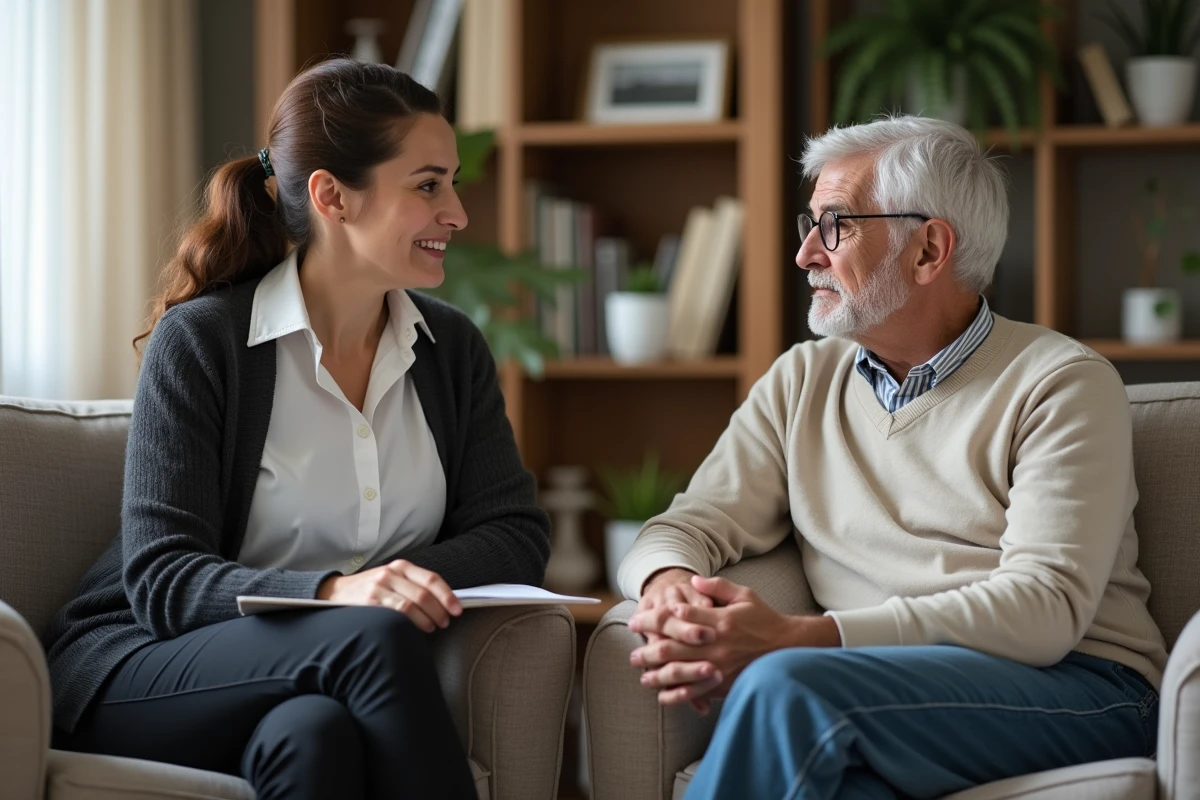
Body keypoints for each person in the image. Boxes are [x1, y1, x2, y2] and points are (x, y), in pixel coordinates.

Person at [614, 115, 1167, 799]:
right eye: (809, 224)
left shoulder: (1061, 383)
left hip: (1083, 689)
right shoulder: (800, 382)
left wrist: (803, 638)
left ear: (928, 249)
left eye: (836, 225)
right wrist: (671, 589)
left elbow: (1044, 609)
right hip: (878, 693)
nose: (806, 254)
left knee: (787, 688)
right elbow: (686, 524)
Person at [43, 58, 550, 800]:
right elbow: (162, 579)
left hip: (311, 677)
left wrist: (390, 585)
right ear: (331, 196)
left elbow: (514, 534)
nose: (457, 214)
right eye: (427, 186)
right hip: (140, 665)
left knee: (314, 738)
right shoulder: (205, 341)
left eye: (452, 183)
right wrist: (339, 592)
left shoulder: (451, 350)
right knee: (370, 640)